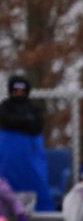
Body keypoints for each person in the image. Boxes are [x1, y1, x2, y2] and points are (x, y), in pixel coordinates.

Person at [0, 75, 54, 211]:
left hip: (31, 154)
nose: (18, 94)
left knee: (38, 181)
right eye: (15, 91)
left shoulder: (33, 109)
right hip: (7, 156)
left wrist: (18, 122)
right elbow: (5, 120)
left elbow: (37, 125)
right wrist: (24, 121)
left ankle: (42, 212)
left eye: (21, 91)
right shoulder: (5, 107)